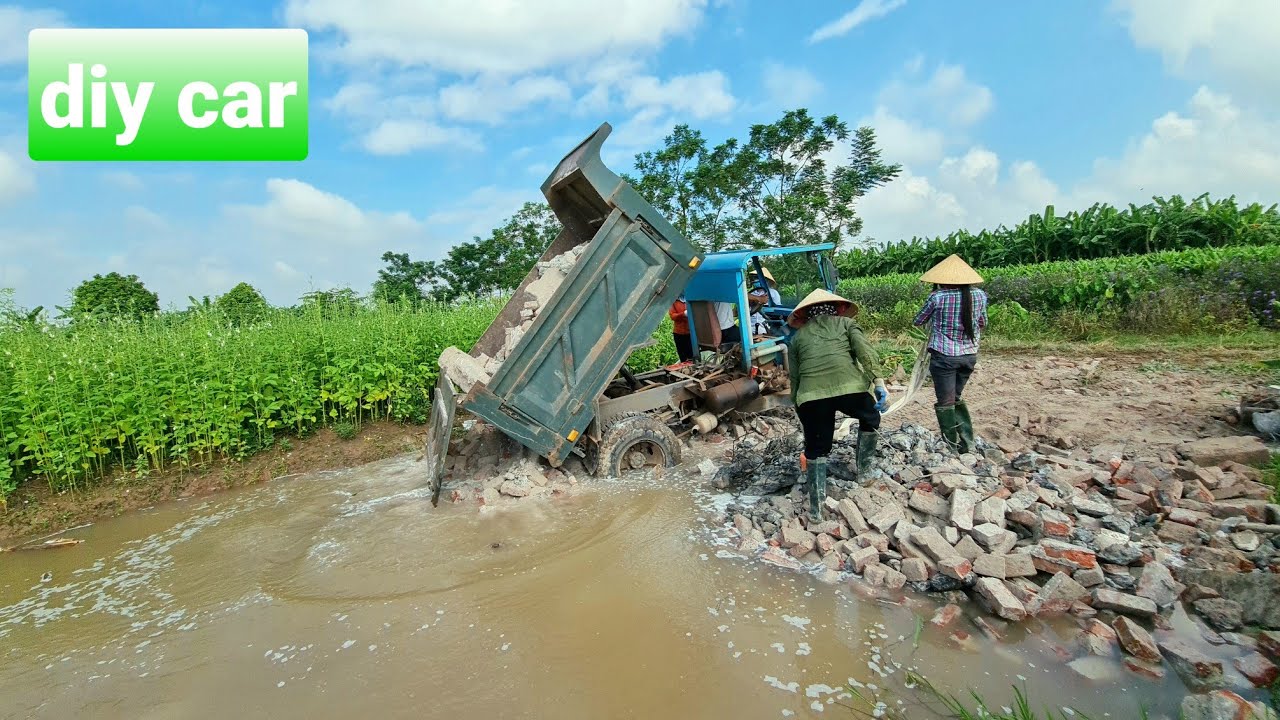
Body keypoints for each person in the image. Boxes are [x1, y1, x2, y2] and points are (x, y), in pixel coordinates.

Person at [786, 289, 889, 523]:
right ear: (838, 308)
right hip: (850, 390)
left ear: (806, 314)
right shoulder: (846, 324)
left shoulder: (798, 338)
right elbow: (866, 353)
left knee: (816, 447)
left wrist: (798, 403)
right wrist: (879, 382)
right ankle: (864, 473)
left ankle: (816, 510)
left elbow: (795, 377)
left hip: (810, 397)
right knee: (870, 417)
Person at [912, 254, 988, 454]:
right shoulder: (980, 295)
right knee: (955, 396)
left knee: (946, 401)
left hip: (944, 356)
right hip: (969, 354)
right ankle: (967, 443)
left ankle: (952, 447)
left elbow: (918, 321)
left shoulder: (937, 297)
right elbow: (982, 323)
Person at [669, 296, 695, 362]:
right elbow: (672, 316)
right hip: (679, 333)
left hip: (690, 333)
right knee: (682, 356)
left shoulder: (690, 299)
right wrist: (683, 314)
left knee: (692, 355)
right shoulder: (674, 301)